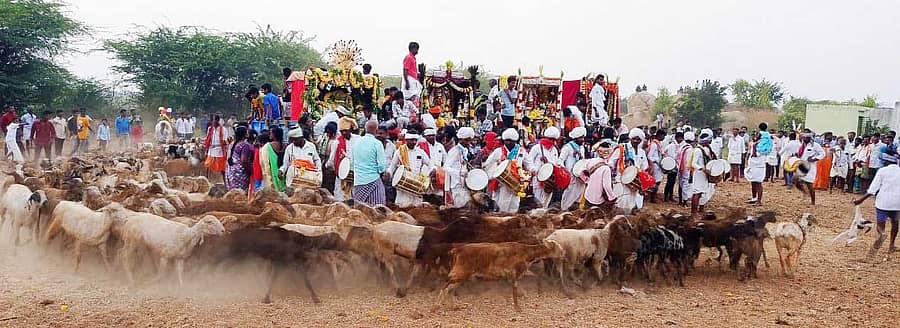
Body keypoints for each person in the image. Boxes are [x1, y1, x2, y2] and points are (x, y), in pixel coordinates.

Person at [854, 151, 899, 262]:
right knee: (895, 224)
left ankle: (882, 234)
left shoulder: (882, 171)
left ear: (885, 161)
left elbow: (873, 189)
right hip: (897, 203)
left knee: (880, 224)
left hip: (883, 203)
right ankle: (891, 245)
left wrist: (860, 200)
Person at [485, 128, 528, 213]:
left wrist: (532, 171)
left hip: (516, 182)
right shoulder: (498, 151)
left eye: (510, 141)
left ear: (515, 141)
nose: (508, 143)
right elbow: (488, 164)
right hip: (502, 183)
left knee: (514, 205)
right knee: (501, 206)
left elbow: (528, 163)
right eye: (506, 140)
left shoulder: (521, 151)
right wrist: (498, 165)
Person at [607, 128, 649, 211]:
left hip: (635, 182)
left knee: (633, 204)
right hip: (621, 180)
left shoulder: (642, 152)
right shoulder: (622, 148)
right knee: (621, 203)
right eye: (634, 139)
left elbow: (645, 166)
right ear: (630, 138)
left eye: (638, 139)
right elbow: (611, 162)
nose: (636, 141)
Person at [388, 132, 432, 207]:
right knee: (403, 206)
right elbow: (392, 166)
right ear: (406, 140)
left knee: (416, 208)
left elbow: (430, 163)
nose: (414, 142)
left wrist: (433, 169)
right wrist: (389, 173)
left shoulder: (420, 152)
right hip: (403, 186)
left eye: (415, 140)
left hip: (416, 184)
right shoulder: (400, 151)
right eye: (411, 140)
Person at [351, 120, 387, 206]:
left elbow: (352, 164)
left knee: (359, 210)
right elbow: (382, 166)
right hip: (373, 180)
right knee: (378, 209)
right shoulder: (377, 144)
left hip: (358, 181)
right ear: (376, 130)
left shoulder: (356, 142)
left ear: (365, 129)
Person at [327, 117, 360, 201]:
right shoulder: (337, 142)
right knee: (340, 200)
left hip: (355, 176)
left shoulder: (358, 140)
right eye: (342, 131)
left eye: (346, 130)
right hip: (341, 178)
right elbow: (331, 161)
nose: (344, 133)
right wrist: (338, 170)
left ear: (351, 129)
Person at [527, 126, 561, 207]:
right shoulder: (536, 148)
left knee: (546, 200)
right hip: (538, 178)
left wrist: (548, 162)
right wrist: (534, 170)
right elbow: (529, 161)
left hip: (550, 180)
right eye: (549, 139)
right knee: (537, 200)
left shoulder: (554, 150)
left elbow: (555, 163)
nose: (551, 142)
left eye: (553, 140)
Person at [444, 127, 475, 208]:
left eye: (470, 140)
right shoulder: (454, 151)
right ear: (461, 139)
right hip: (456, 185)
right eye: (467, 140)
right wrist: (458, 173)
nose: (469, 142)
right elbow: (446, 167)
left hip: (464, 184)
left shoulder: (464, 151)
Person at [691, 129, 718, 218]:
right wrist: (702, 169)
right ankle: (694, 212)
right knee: (697, 193)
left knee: (702, 192)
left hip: (703, 174)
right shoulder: (698, 150)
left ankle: (700, 210)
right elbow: (693, 163)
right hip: (699, 174)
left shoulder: (705, 149)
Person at [795, 132, 825, 205]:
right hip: (802, 165)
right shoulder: (802, 145)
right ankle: (805, 192)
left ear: (809, 138)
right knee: (795, 180)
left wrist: (815, 159)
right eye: (803, 137)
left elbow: (822, 153)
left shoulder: (815, 145)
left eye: (805, 138)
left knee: (809, 184)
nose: (803, 139)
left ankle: (813, 201)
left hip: (810, 167)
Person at [560, 127, 587, 210]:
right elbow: (560, 160)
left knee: (579, 193)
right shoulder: (567, 147)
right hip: (570, 175)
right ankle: (564, 210)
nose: (582, 140)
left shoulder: (582, 148)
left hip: (580, 176)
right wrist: (565, 171)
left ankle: (575, 211)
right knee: (569, 193)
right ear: (575, 138)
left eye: (583, 137)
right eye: (580, 138)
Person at [259, 127, 286, 192]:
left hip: (272, 177)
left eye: (271, 133)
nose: (269, 134)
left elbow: (263, 163)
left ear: (274, 134)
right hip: (283, 175)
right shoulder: (285, 146)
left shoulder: (267, 146)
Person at [226, 126, 253, 191]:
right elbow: (244, 161)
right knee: (242, 194)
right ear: (244, 134)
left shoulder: (233, 144)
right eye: (247, 132)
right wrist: (251, 169)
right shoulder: (245, 145)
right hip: (241, 173)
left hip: (231, 171)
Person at [203, 115, 228, 181]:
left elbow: (225, 141)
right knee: (208, 166)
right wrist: (207, 149)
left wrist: (222, 144)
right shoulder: (210, 129)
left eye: (214, 121)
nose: (213, 122)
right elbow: (208, 139)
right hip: (211, 150)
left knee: (222, 168)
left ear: (217, 121)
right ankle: (208, 180)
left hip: (219, 150)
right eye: (212, 121)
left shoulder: (223, 129)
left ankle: (224, 181)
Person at [745, 132, 766, 205]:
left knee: (758, 183)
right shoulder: (754, 144)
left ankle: (759, 201)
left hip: (759, 166)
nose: (754, 136)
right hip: (753, 165)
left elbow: (755, 154)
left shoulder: (762, 145)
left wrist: (755, 146)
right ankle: (754, 198)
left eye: (756, 135)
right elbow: (750, 154)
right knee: (752, 182)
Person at [663, 131, 684, 203]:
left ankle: (670, 196)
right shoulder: (672, 146)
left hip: (675, 166)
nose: (681, 140)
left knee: (673, 182)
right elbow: (671, 156)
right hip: (671, 166)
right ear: (677, 138)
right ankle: (666, 197)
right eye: (680, 138)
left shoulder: (678, 146)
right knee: (669, 181)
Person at [645, 129, 665, 203]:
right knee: (655, 182)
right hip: (655, 165)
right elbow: (649, 156)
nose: (664, 138)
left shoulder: (658, 144)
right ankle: (652, 198)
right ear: (659, 135)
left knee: (658, 181)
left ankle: (654, 196)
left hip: (658, 165)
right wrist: (656, 161)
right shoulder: (654, 144)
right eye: (663, 136)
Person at [677, 132, 697, 206]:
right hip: (686, 170)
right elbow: (689, 162)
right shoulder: (690, 149)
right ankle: (684, 202)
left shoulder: (682, 147)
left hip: (680, 169)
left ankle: (680, 200)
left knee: (681, 184)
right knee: (686, 185)